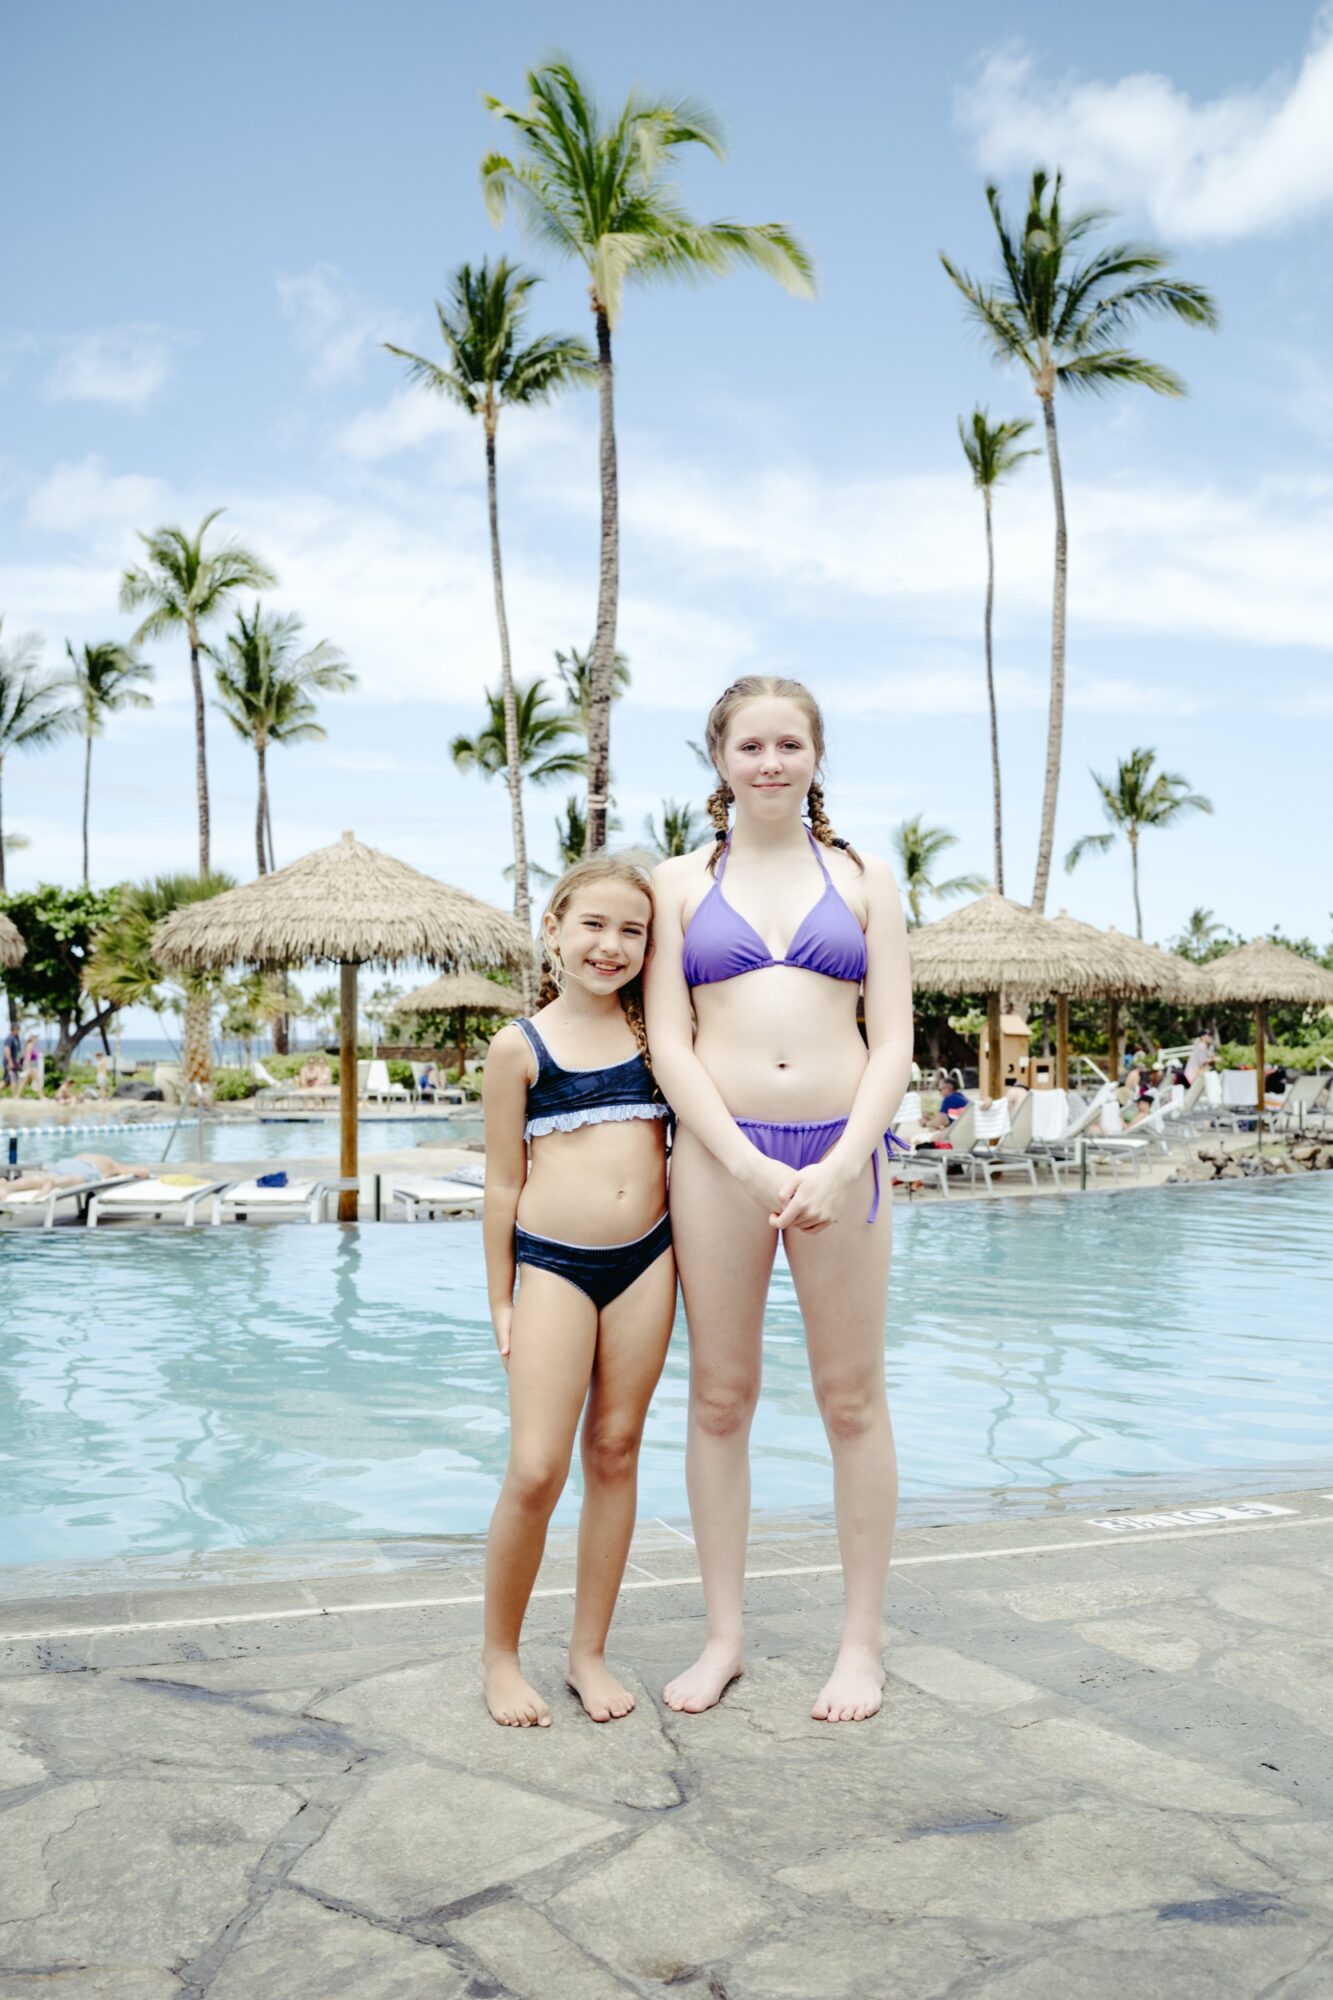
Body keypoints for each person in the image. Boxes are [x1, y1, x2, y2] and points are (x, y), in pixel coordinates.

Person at [646, 675, 913, 1723]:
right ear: (718, 756)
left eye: (788, 744)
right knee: (720, 1396)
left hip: (843, 1154)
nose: (769, 761)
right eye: (749, 743)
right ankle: (723, 1637)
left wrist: (845, 1158)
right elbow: (668, 1040)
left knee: (851, 1397)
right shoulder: (674, 884)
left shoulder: (862, 877)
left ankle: (861, 1642)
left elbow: (890, 1037)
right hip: (719, 1158)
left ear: (814, 756)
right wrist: (747, 1164)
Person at [480, 854, 676, 1729]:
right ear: (553, 928)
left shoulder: (658, 1038)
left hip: (647, 1261)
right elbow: (499, 1186)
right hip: (553, 1265)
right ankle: (499, 1655)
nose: (610, 944)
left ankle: (586, 1651)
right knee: (534, 1469)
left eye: (631, 930)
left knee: (617, 1448)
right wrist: (501, 1298)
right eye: (592, 924)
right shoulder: (519, 1048)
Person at [3, 1152, 153, 1196]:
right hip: (87, 1169)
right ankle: (53, 1184)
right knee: (76, 1179)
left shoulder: (84, 1154)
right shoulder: (114, 1165)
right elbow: (143, 1172)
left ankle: (9, 1186)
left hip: (66, 1162)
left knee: (44, 1177)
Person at [4, 1025, 24, 1097]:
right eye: (18, 1029)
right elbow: (7, 1050)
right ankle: (15, 1095)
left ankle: (15, 1095)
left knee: (6, 1081)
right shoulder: (9, 1038)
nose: (19, 1031)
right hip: (9, 1062)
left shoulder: (14, 1039)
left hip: (13, 1061)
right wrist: (10, 1062)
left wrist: (17, 1061)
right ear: (14, 1029)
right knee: (13, 1078)